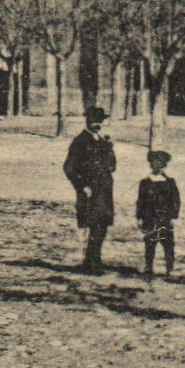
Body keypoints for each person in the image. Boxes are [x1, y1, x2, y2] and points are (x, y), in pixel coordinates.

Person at [63, 106, 116, 273]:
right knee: (94, 225)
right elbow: (69, 168)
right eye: (94, 121)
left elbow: (112, 166)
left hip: (104, 190)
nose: (97, 124)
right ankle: (91, 263)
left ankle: (94, 260)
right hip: (90, 191)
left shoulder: (103, 141)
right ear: (87, 120)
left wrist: (109, 148)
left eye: (100, 121)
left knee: (102, 225)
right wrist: (82, 186)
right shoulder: (80, 142)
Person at [136, 150, 181, 279]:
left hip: (165, 219)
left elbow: (176, 201)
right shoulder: (145, 182)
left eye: (160, 163)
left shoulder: (170, 182)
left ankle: (170, 270)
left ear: (164, 165)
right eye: (153, 162)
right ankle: (148, 268)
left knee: (168, 244)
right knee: (150, 243)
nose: (156, 165)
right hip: (149, 218)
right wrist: (139, 217)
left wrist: (173, 216)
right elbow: (140, 201)